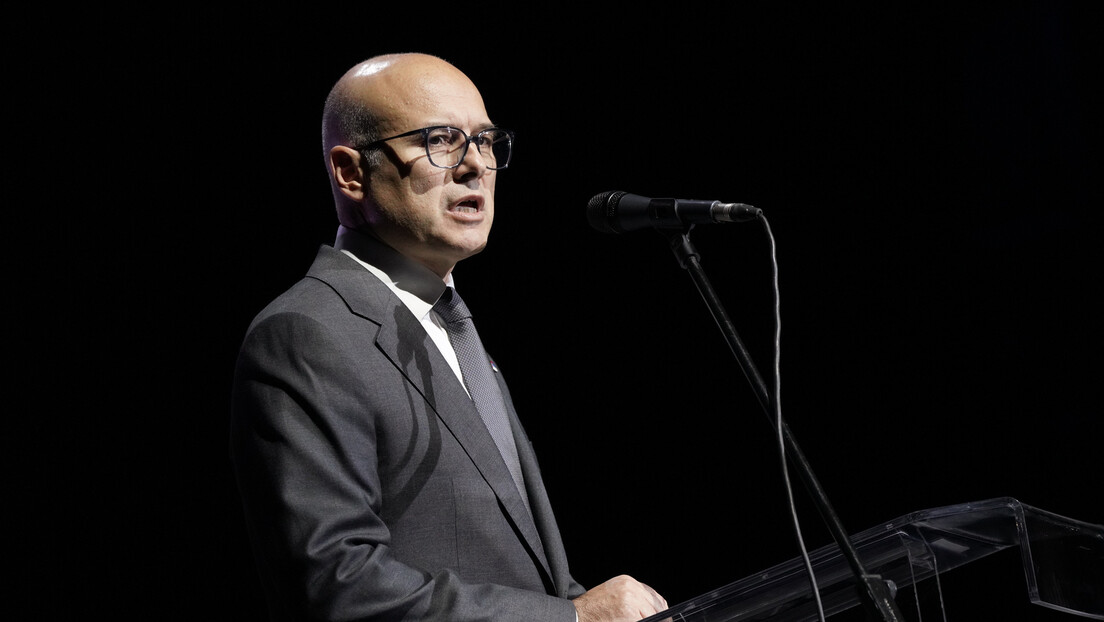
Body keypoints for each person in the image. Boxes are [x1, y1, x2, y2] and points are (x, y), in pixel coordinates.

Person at [230, 52, 667, 622]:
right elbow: (338, 583)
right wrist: (575, 619)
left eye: (485, 141)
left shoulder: (448, 328)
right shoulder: (306, 335)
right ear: (351, 172)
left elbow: (523, 569)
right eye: (440, 140)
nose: (475, 165)